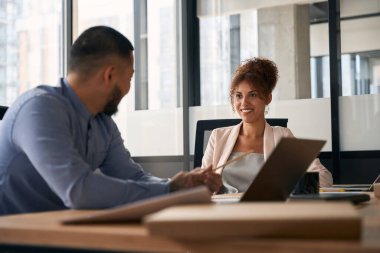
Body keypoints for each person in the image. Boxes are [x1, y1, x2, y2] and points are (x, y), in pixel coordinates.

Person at [0, 26, 221, 215]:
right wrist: (170, 190)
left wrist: (182, 184)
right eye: (130, 76)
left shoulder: (103, 124)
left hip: (61, 231)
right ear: (109, 75)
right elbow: (79, 191)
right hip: (16, 237)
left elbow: (133, 176)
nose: (128, 88)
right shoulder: (39, 109)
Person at [201, 57, 333, 194]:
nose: (244, 103)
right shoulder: (218, 136)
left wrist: (289, 182)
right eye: (239, 96)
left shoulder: (282, 136)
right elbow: (201, 185)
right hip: (223, 212)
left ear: (268, 98)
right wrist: (207, 184)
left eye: (252, 95)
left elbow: (324, 177)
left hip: (266, 212)